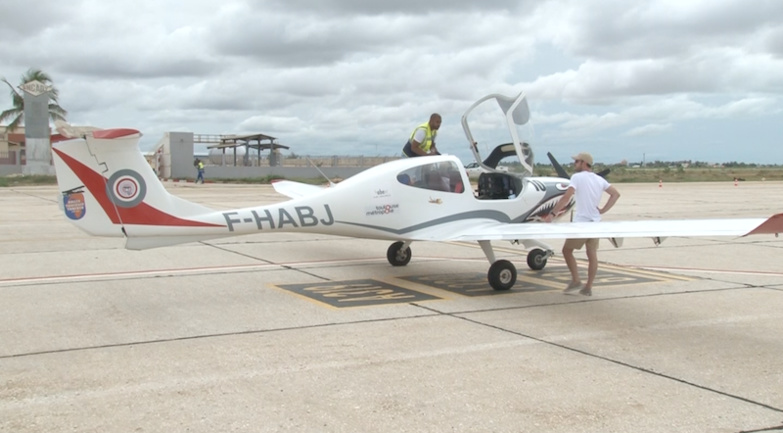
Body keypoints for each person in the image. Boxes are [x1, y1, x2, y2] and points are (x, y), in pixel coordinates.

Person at [544, 152, 620, 296]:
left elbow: (566, 197)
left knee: (567, 251)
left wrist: (552, 214)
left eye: (576, 162)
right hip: (596, 223)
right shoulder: (599, 180)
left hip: (582, 224)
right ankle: (588, 287)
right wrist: (602, 210)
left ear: (583, 163)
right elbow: (615, 194)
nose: (574, 164)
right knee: (592, 255)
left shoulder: (577, 177)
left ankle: (576, 280)